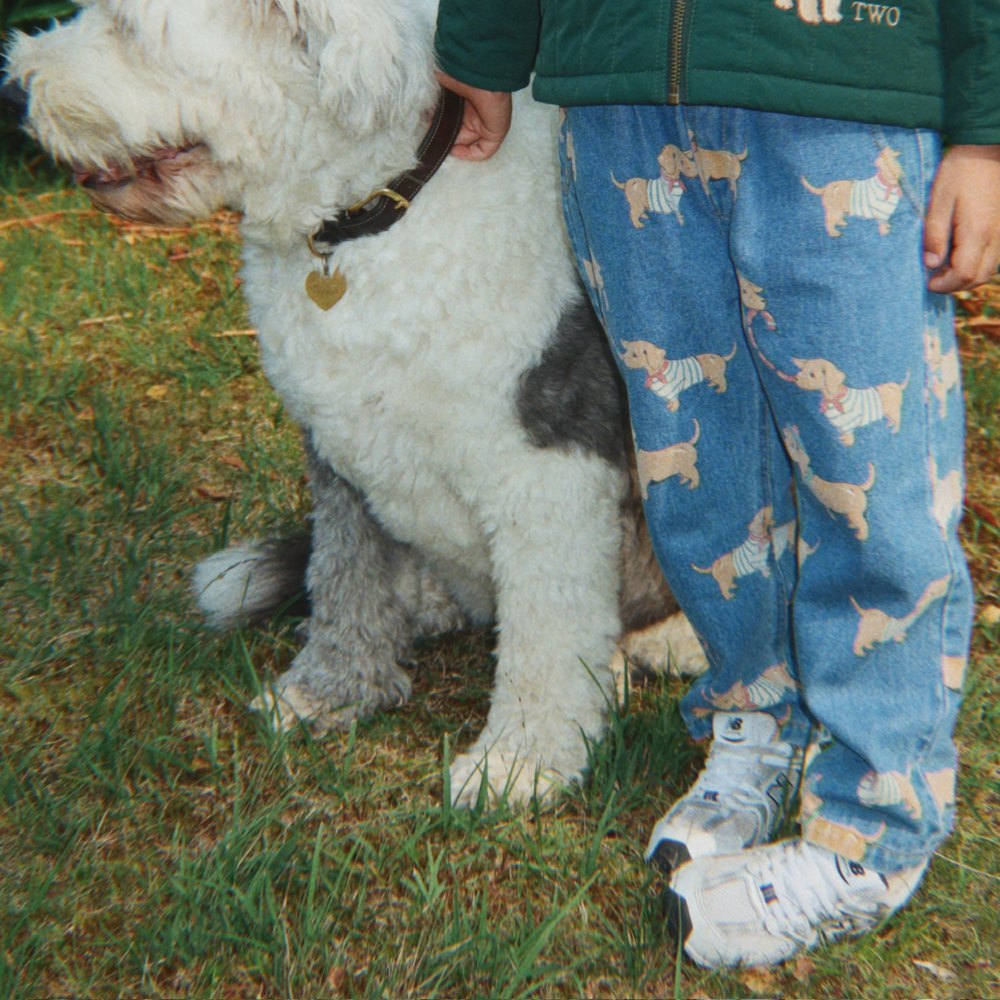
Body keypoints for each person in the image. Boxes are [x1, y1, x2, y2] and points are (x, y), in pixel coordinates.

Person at [434, 0, 1000, 968]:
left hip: (840, 91)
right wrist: (482, 42)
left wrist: (985, 133)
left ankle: (873, 821)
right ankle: (755, 713)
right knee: (694, 461)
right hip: (620, 94)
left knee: (866, 478)